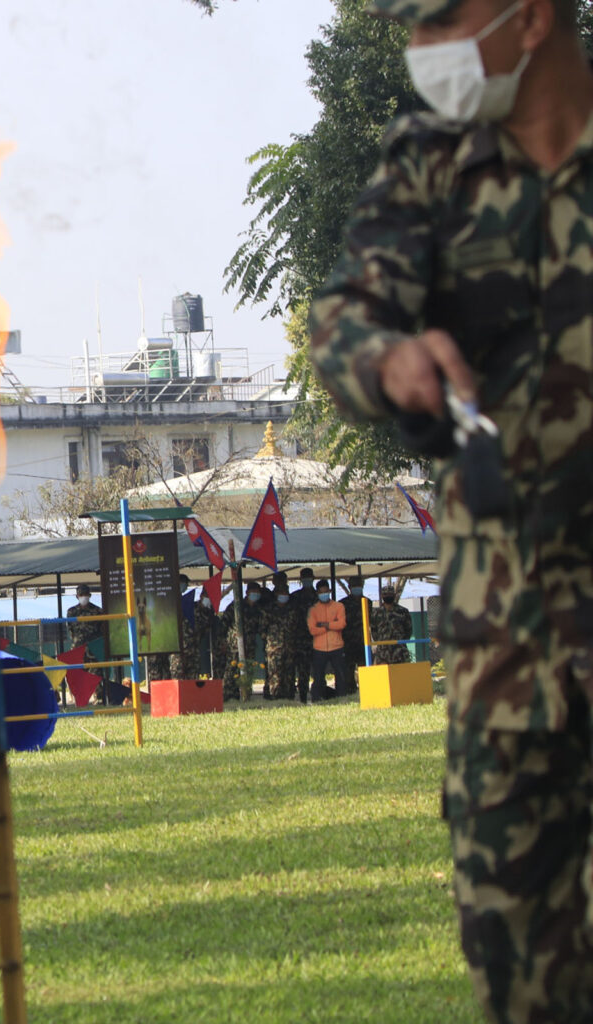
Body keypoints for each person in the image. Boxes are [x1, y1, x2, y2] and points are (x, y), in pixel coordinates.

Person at [308, 0, 593, 1016]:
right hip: (505, 644)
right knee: (518, 971)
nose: (421, 48)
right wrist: (389, 357)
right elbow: (347, 316)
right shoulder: (429, 160)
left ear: (531, 21)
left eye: (440, 20)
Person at [65, 584, 109, 702]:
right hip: (78, 649)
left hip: (93, 649)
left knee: (95, 674)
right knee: (77, 674)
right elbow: (71, 630)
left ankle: (99, 698)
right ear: (77, 596)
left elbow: (102, 630)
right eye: (81, 595)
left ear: (89, 595)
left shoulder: (98, 611)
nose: (83, 597)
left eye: (85, 595)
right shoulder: (71, 612)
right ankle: (79, 699)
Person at [306, 580, 348, 702]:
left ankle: (342, 698)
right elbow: (313, 630)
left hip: (337, 647)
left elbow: (342, 624)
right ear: (317, 593)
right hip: (319, 649)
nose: (324, 594)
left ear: (329, 591)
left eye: (326, 591)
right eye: (321, 592)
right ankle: (317, 699)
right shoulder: (313, 610)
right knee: (318, 677)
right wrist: (331, 625)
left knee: (341, 675)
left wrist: (323, 625)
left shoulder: (339, 606)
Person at [287, 568, 321, 699]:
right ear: (300, 580)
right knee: (297, 670)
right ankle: (296, 696)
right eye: (304, 578)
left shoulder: (318, 597)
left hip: (316, 639)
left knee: (313, 670)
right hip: (298, 640)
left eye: (309, 577)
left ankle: (311, 695)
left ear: (313, 578)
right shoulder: (295, 597)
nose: (307, 580)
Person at [263, 572, 295, 699]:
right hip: (274, 649)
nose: (284, 596)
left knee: (289, 675)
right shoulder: (269, 609)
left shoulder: (292, 609)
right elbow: (263, 630)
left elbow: (295, 626)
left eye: (286, 593)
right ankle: (274, 697)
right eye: (281, 593)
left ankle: (289, 697)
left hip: (290, 647)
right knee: (274, 675)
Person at [371, 585, 415, 665]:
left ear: (394, 595)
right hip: (383, 652)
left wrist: (400, 641)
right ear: (382, 596)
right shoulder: (376, 613)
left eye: (390, 595)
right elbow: (374, 631)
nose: (388, 596)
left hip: (400, 651)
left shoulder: (403, 611)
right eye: (386, 595)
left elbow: (408, 630)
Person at [339, 577, 369, 695]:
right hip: (348, 643)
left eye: (359, 585)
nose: (357, 588)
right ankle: (350, 694)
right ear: (349, 588)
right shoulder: (343, 604)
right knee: (348, 673)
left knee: (365, 671)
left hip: (364, 643)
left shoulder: (368, 603)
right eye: (354, 586)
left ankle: (366, 693)